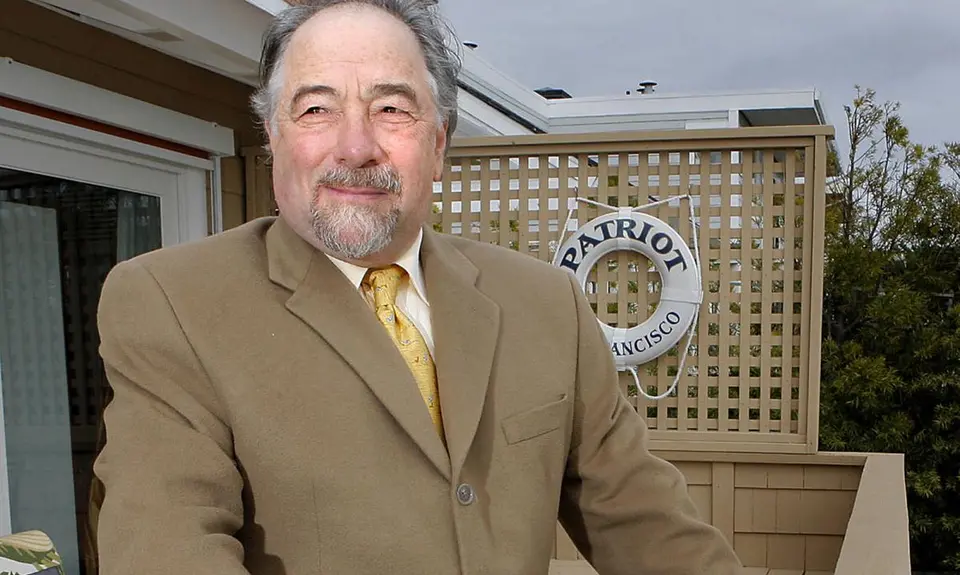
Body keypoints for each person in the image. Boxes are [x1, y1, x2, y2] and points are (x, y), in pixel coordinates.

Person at [92, 1, 745, 573]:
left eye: (391, 109)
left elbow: (646, 523)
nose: (355, 146)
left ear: (437, 144)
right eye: (316, 108)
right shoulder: (169, 302)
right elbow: (165, 547)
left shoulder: (548, 304)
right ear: (274, 136)